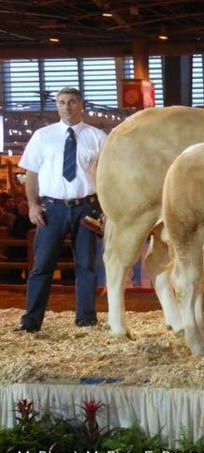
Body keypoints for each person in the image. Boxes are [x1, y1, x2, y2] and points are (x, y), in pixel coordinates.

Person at [15, 87, 106, 333]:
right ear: (57, 105)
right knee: (42, 265)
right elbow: (31, 173)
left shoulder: (98, 137)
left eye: (72, 102)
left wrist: (106, 209)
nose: (67, 107)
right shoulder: (42, 136)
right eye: (62, 102)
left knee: (86, 266)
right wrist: (33, 205)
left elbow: (108, 176)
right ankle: (32, 321)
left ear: (81, 105)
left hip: (87, 208)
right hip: (51, 209)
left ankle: (86, 320)